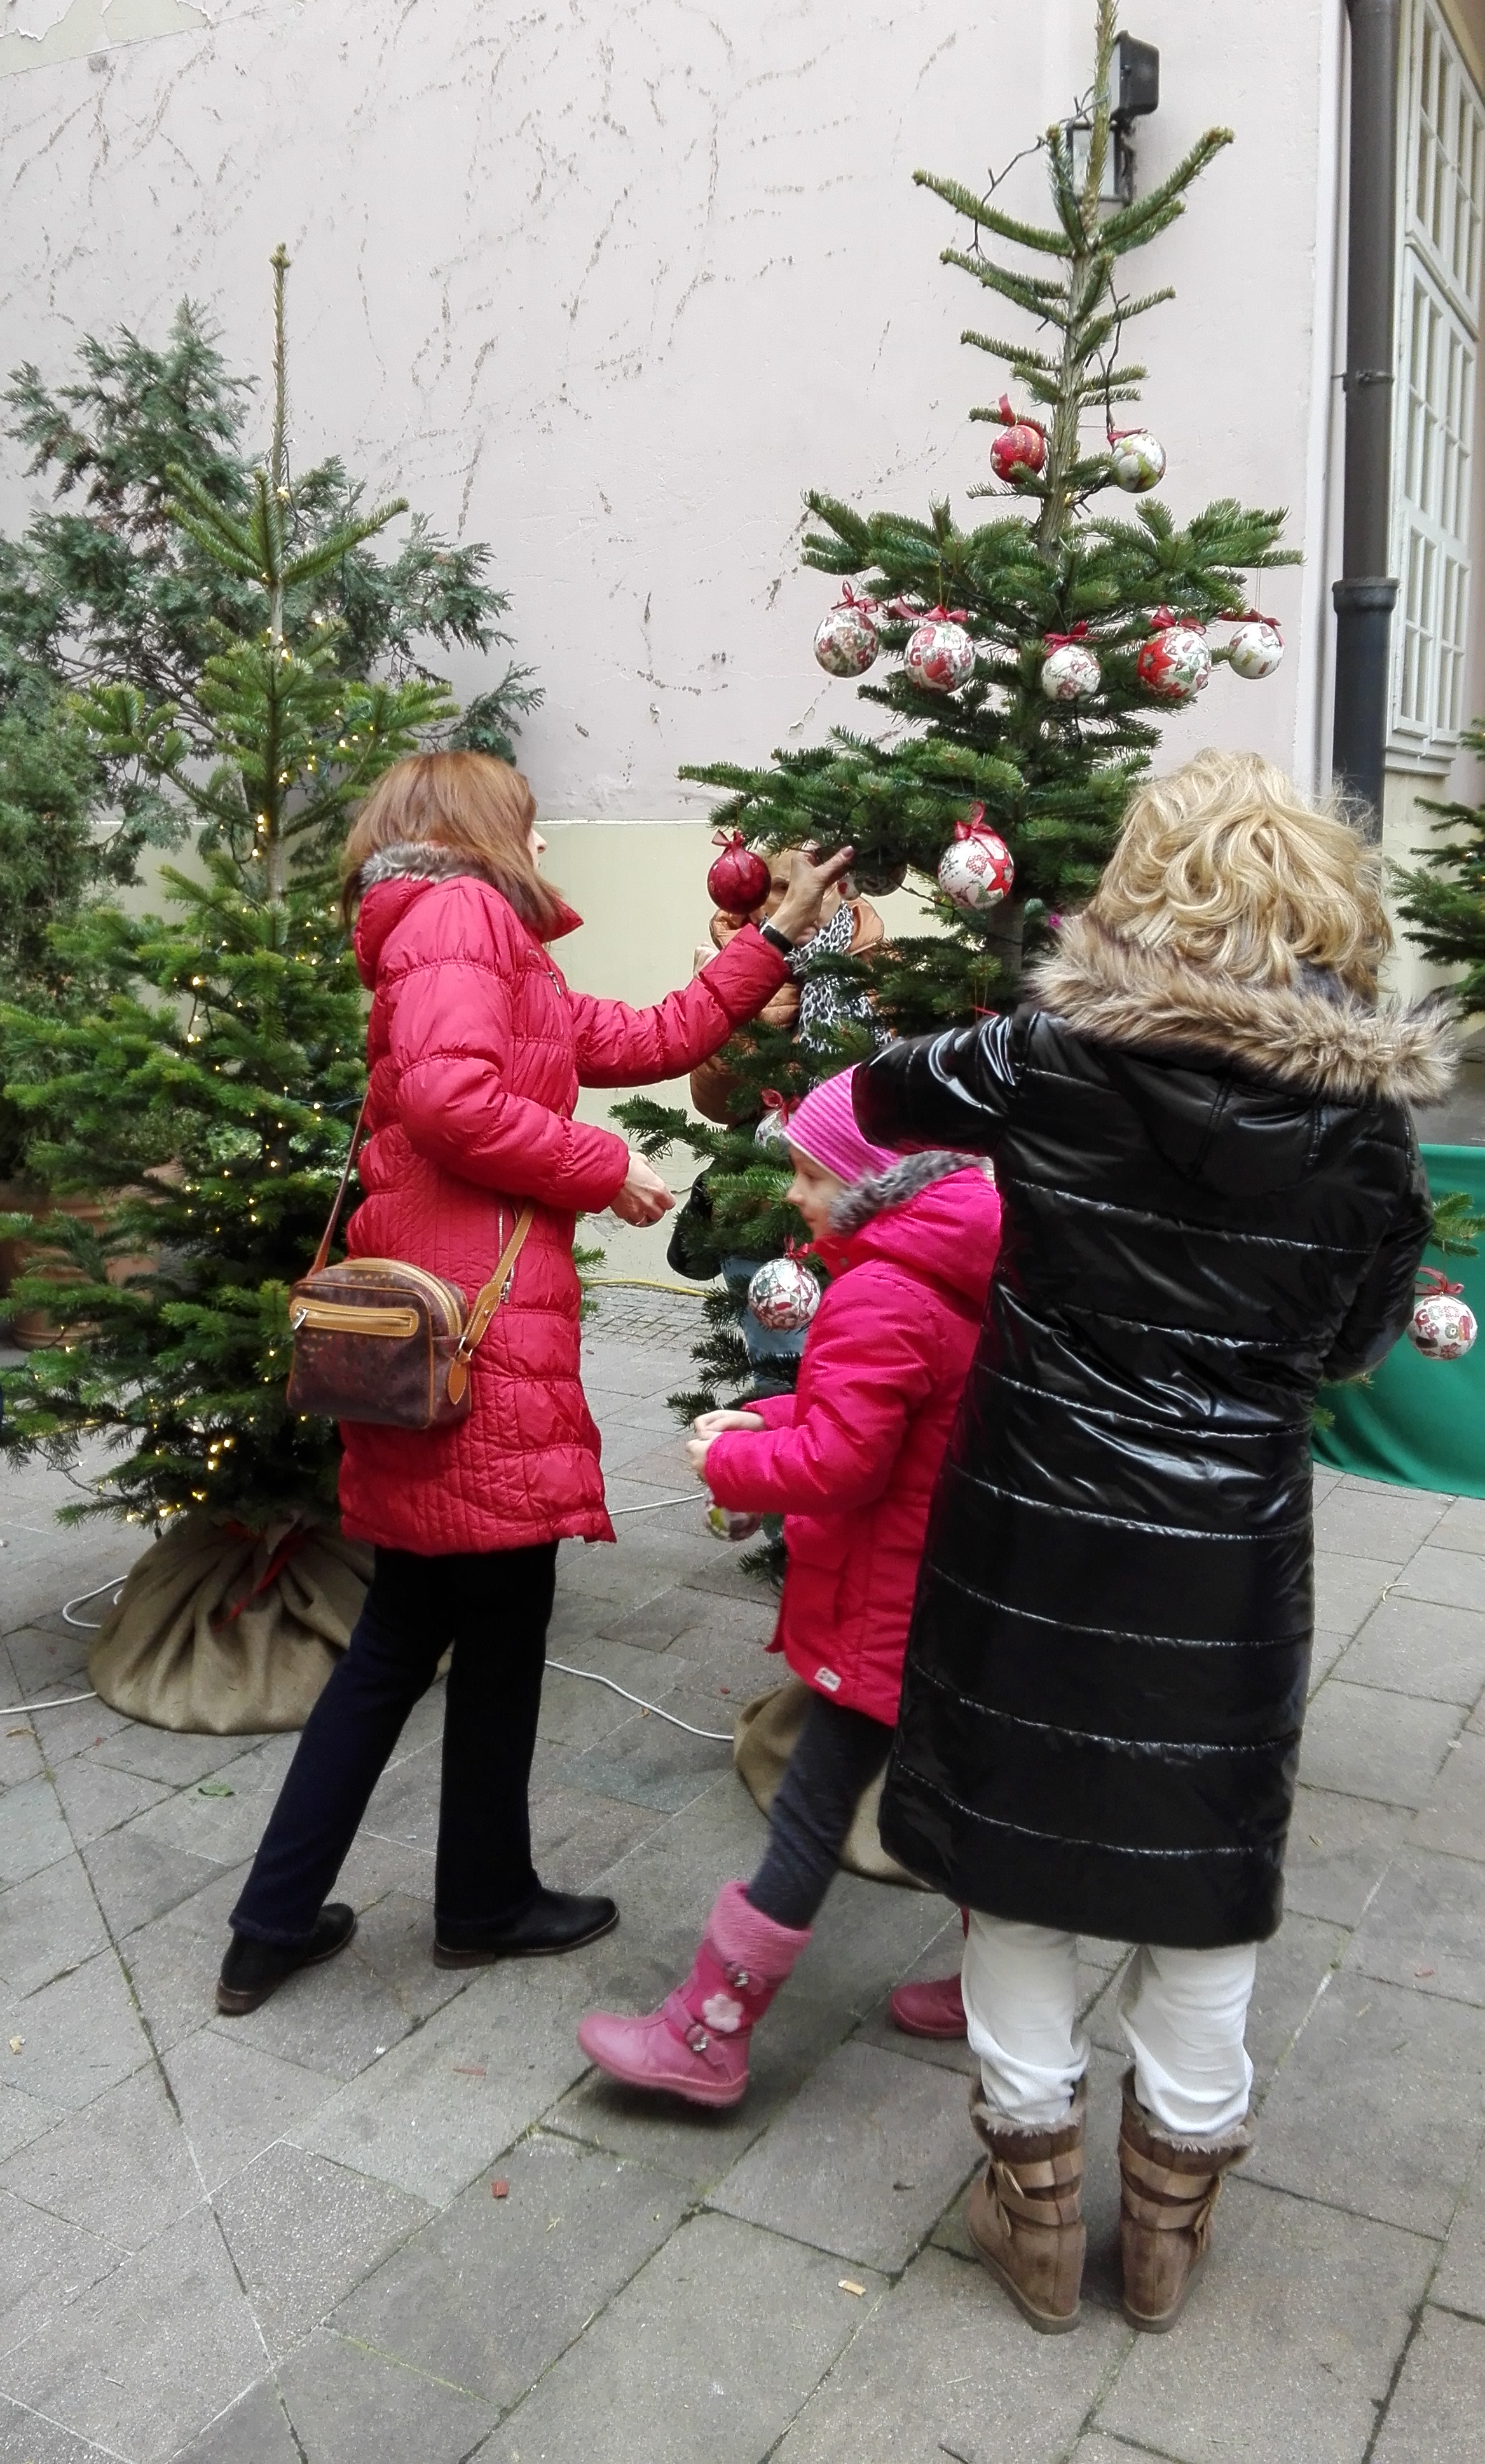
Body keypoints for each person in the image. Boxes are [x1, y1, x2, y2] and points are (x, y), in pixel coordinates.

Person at [854, 751, 1450, 2336]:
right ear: (1322, 901)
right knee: (1201, 1876)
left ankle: (1035, 2208)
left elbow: (878, 1094)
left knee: (1017, 1861)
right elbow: (1353, 1342)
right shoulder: (1369, 1130)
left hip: (1032, 1528)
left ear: (1144, 889)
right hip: (1226, 1553)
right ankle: (1170, 2226)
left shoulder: (1044, 1057)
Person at [216, 754, 851, 2015]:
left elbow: (647, 1036)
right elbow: (449, 1099)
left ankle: (283, 1924)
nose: (543, 841)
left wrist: (774, 937)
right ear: (469, 826)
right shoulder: (459, 916)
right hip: (475, 1341)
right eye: (527, 820)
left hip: (443, 1332)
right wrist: (599, 1168)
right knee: (484, 1630)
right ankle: (475, 1904)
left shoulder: (470, 936)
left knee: (414, 1633)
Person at [575, 1067, 1001, 2104]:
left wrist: (731, 1463)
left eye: (812, 1175)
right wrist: (766, 1415)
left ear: (873, 1181)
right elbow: (875, 1408)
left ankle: (708, 2033)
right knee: (968, 1802)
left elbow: (844, 1461)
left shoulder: (882, 1291)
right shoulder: (949, 1270)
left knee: (811, 1812)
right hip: (949, 1595)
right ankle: (1003, 1994)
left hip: (885, 1607)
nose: (796, 1196)